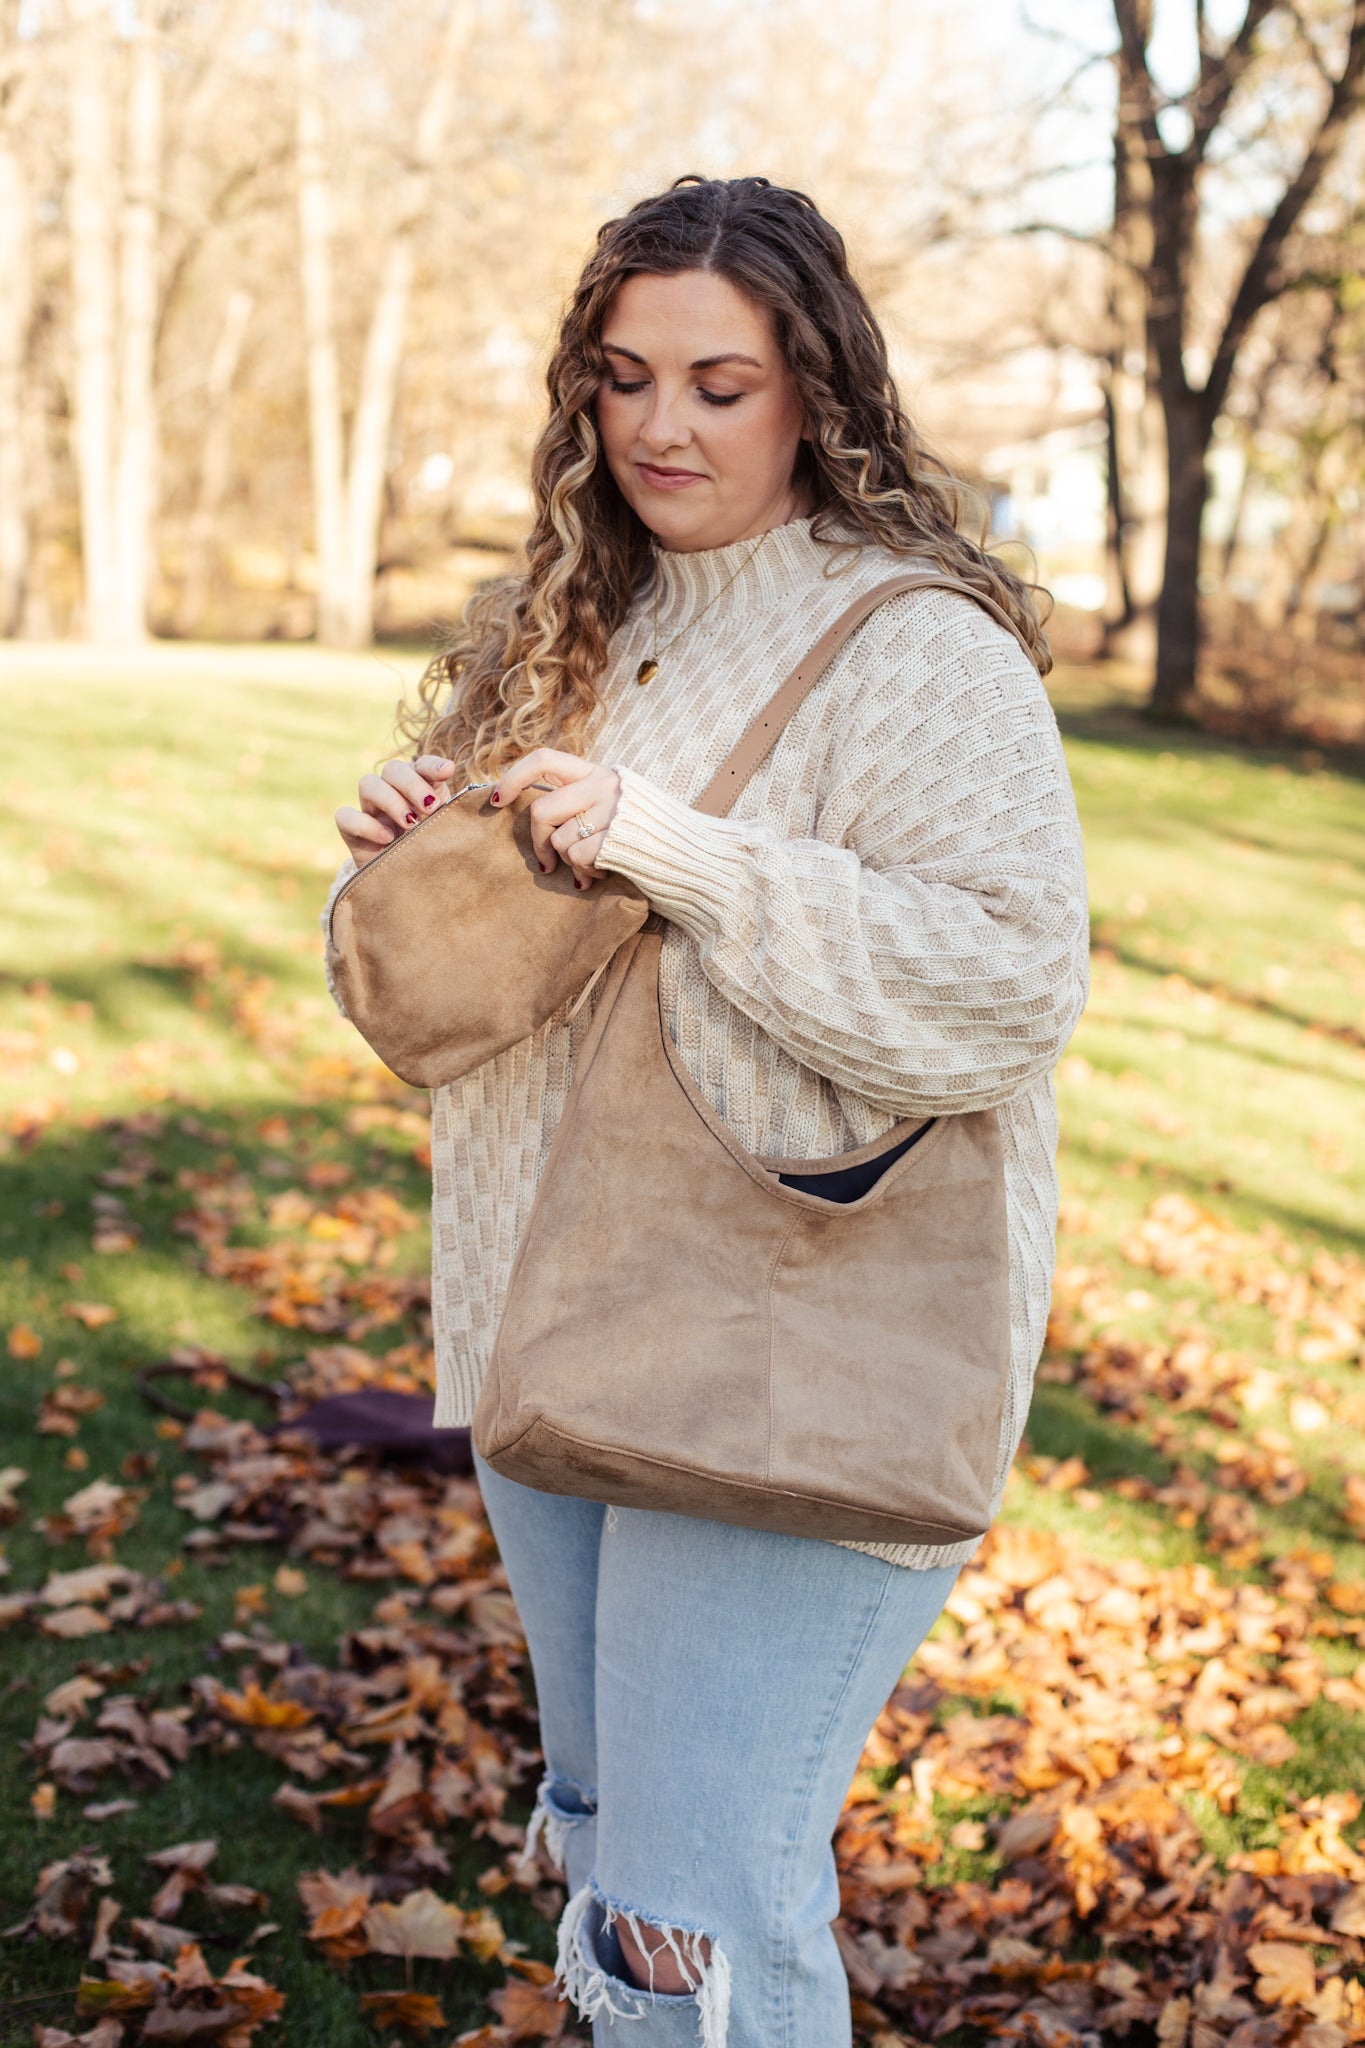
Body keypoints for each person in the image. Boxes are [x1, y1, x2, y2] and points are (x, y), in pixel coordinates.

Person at [328, 175, 1088, 2048]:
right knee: (611, 1851)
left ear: (814, 390)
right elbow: (485, 1018)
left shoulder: (913, 645)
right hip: (547, 1312)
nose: (660, 425)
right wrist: (418, 868)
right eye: (623, 375)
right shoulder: (571, 626)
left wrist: (670, 849)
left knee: (693, 1910)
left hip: (782, 1324)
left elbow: (1005, 982)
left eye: (719, 383)